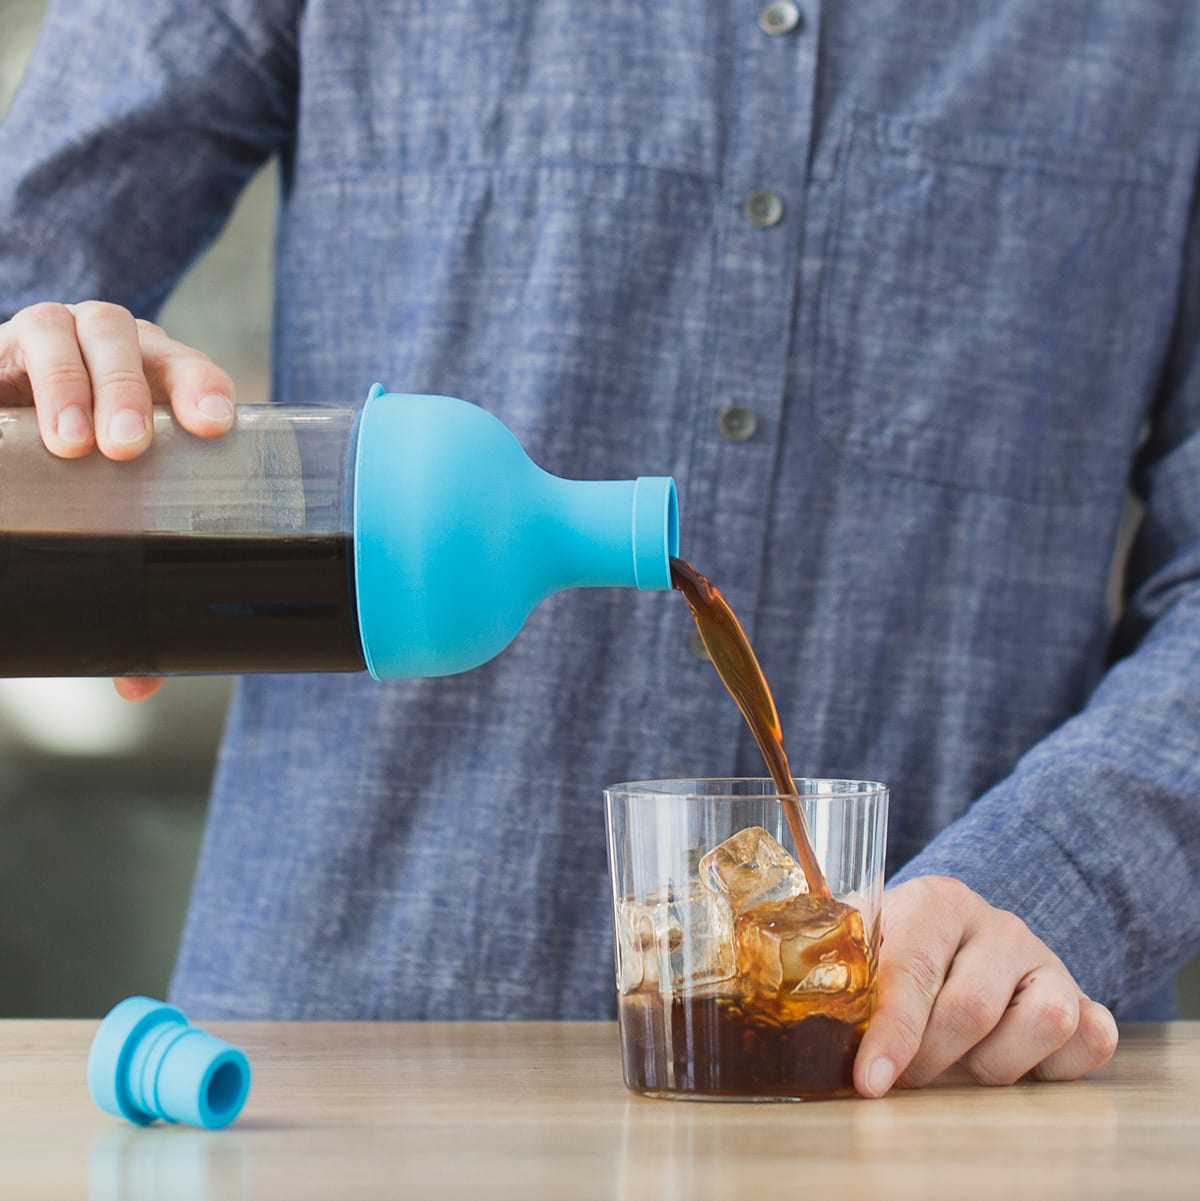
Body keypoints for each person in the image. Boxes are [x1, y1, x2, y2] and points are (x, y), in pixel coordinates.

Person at [2, 0, 1197, 1098]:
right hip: (335, 1090)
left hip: (930, 1090)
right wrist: (47, 379)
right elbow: (24, 273)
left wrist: (1050, 881)